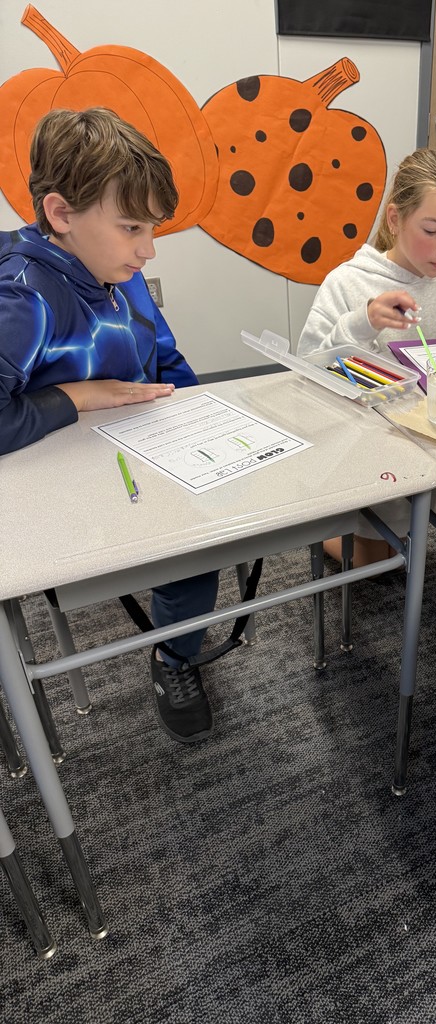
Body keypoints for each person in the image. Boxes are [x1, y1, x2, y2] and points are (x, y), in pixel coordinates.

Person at [0, 107, 219, 745]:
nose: (147, 249)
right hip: (60, 491)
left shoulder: (117, 271)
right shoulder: (23, 298)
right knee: (190, 552)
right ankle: (177, 656)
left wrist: (202, 416)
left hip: (139, 456)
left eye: (151, 228)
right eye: (131, 227)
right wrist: (74, 395)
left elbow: (164, 358)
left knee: (208, 538)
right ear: (62, 214)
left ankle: (174, 653)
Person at [298, 147, 436, 565]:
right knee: (376, 562)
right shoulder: (348, 282)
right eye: (431, 230)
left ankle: (393, 528)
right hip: (372, 446)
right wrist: (362, 322)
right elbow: (309, 367)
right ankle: (328, 526)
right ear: (395, 219)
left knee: (406, 542)